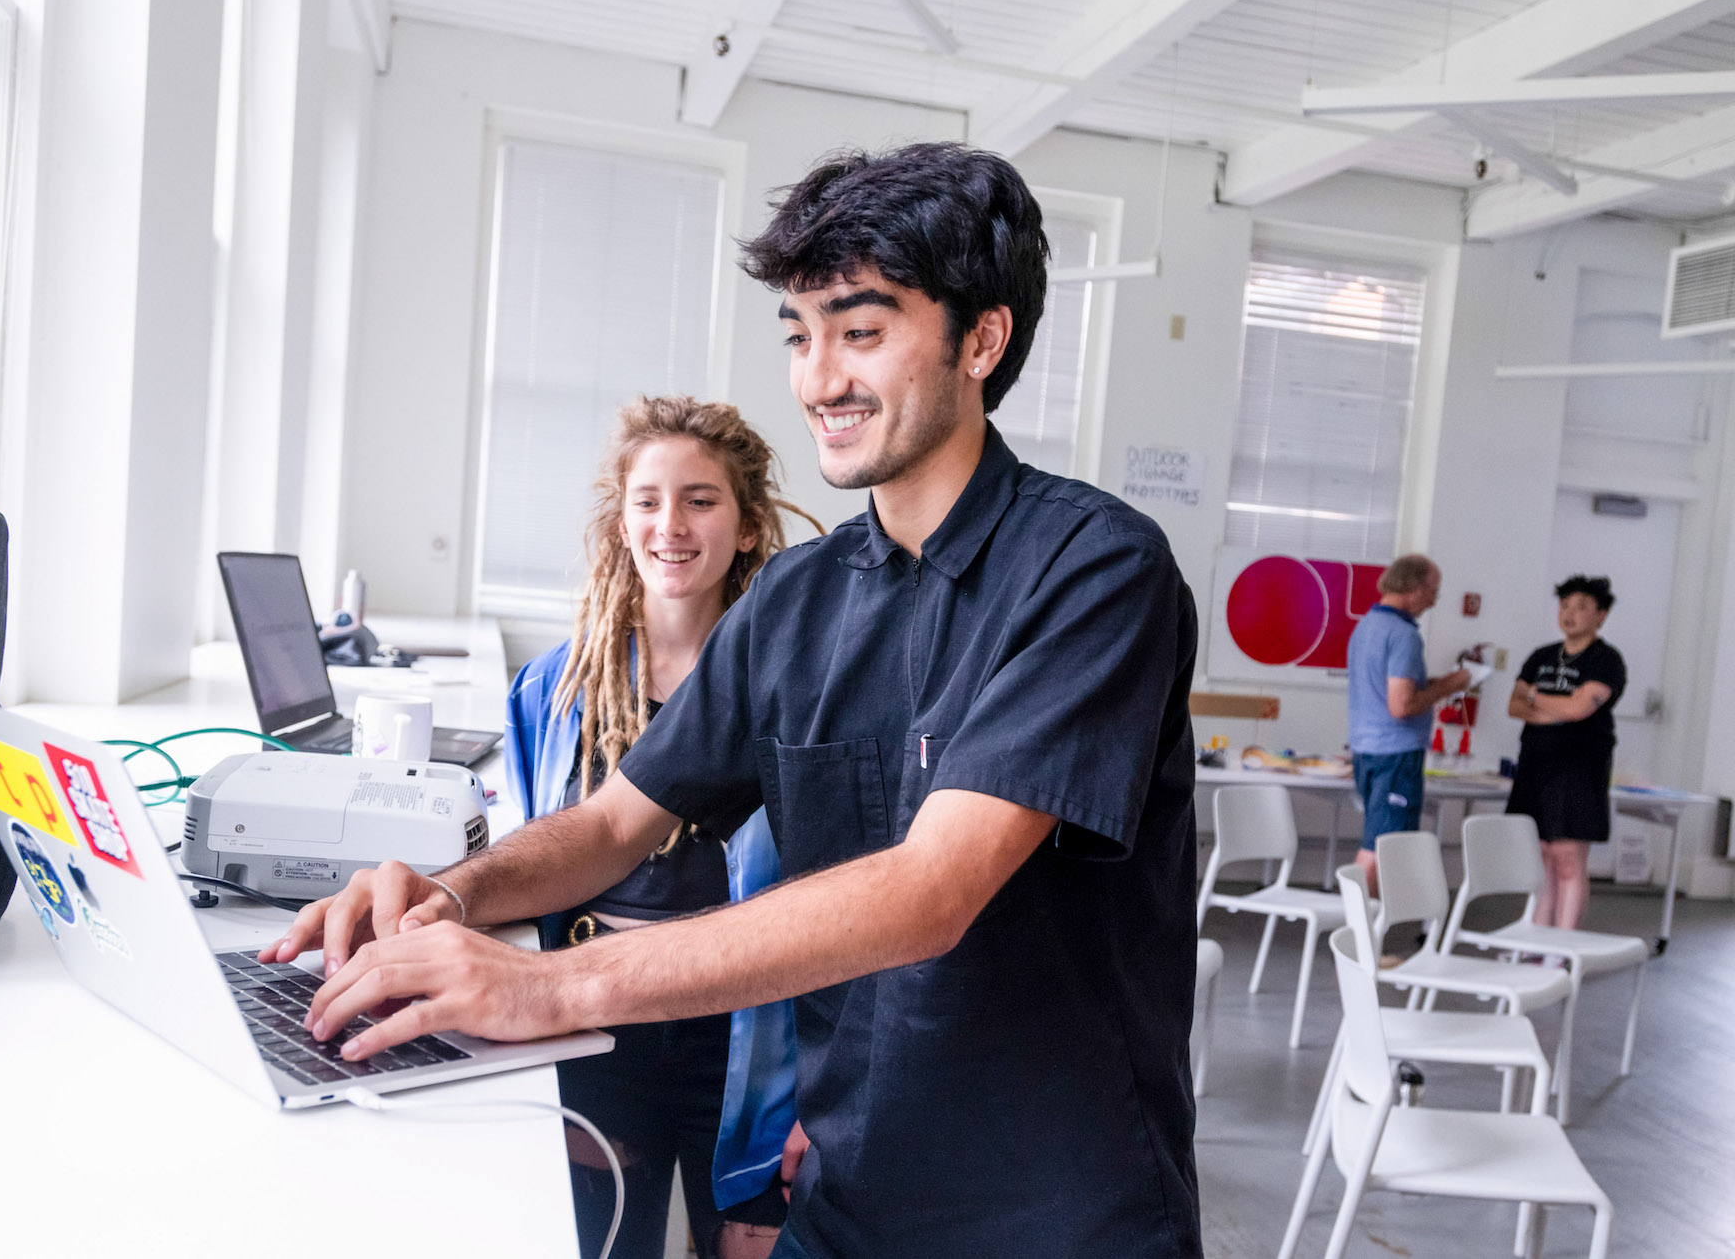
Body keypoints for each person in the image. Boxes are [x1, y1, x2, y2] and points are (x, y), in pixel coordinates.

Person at [261, 142, 1203, 1257]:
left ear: (980, 340)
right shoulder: (797, 598)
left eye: (860, 330)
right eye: (801, 336)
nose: (817, 378)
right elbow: (619, 819)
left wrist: (549, 986)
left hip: (1053, 1215)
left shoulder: (1095, 570)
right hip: (850, 1200)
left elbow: (929, 889)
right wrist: (450, 898)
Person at [503, 395, 816, 1259]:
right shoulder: (554, 690)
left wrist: (825, 1101)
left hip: (747, 1043)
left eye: (701, 499)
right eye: (647, 500)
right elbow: (535, 871)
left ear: (748, 526)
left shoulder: (796, 696)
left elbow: (844, 896)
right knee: (607, 1244)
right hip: (600, 1033)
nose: (669, 524)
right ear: (621, 521)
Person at [1345, 554, 1473, 895]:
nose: (1433, 600)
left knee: (1378, 841)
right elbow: (1401, 705)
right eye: (1433, 591)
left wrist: (1437, 682)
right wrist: (1453, 684)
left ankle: (1363, 935)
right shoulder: (1403, 635)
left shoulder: (1366, 626)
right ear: (1414, 588)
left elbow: (1390, 688)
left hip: (1367, 750)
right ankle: (1360, 940)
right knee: (1380, 846)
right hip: (1395, 754)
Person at [1508, 575, 1626, 931]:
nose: (1570, 614)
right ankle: (1538, 939)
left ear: (1601, 616)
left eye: (1581, 608)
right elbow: (1514, 705)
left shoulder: (1605, 660)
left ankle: (1563, 946)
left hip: (1578, 770)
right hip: (1534, 766)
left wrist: (1535, 697)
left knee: (1568, 859)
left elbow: (1579, 710)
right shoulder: (1541, 656)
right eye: (1565, 606)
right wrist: (1553, 706)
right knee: (1541, 856)